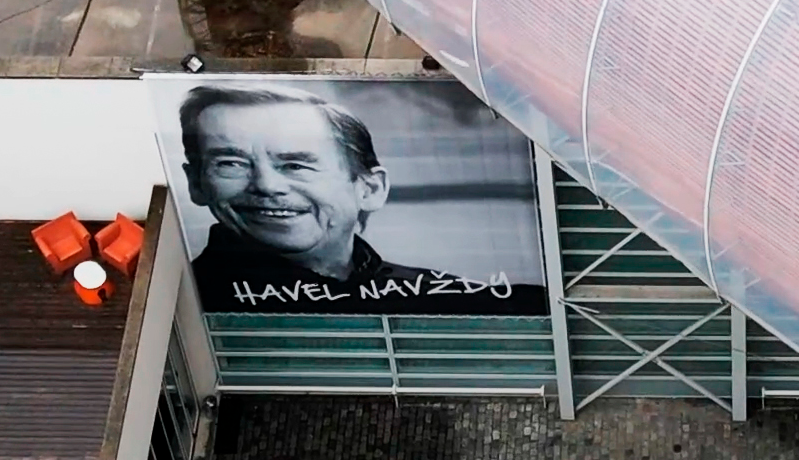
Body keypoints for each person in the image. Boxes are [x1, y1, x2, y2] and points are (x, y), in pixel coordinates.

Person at [179, 83, 547, 315]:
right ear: (196, 183)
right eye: (230, 163)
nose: (266, 184)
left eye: (296, 164)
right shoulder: (197, 308)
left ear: (369, 189)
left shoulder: (448, 297)